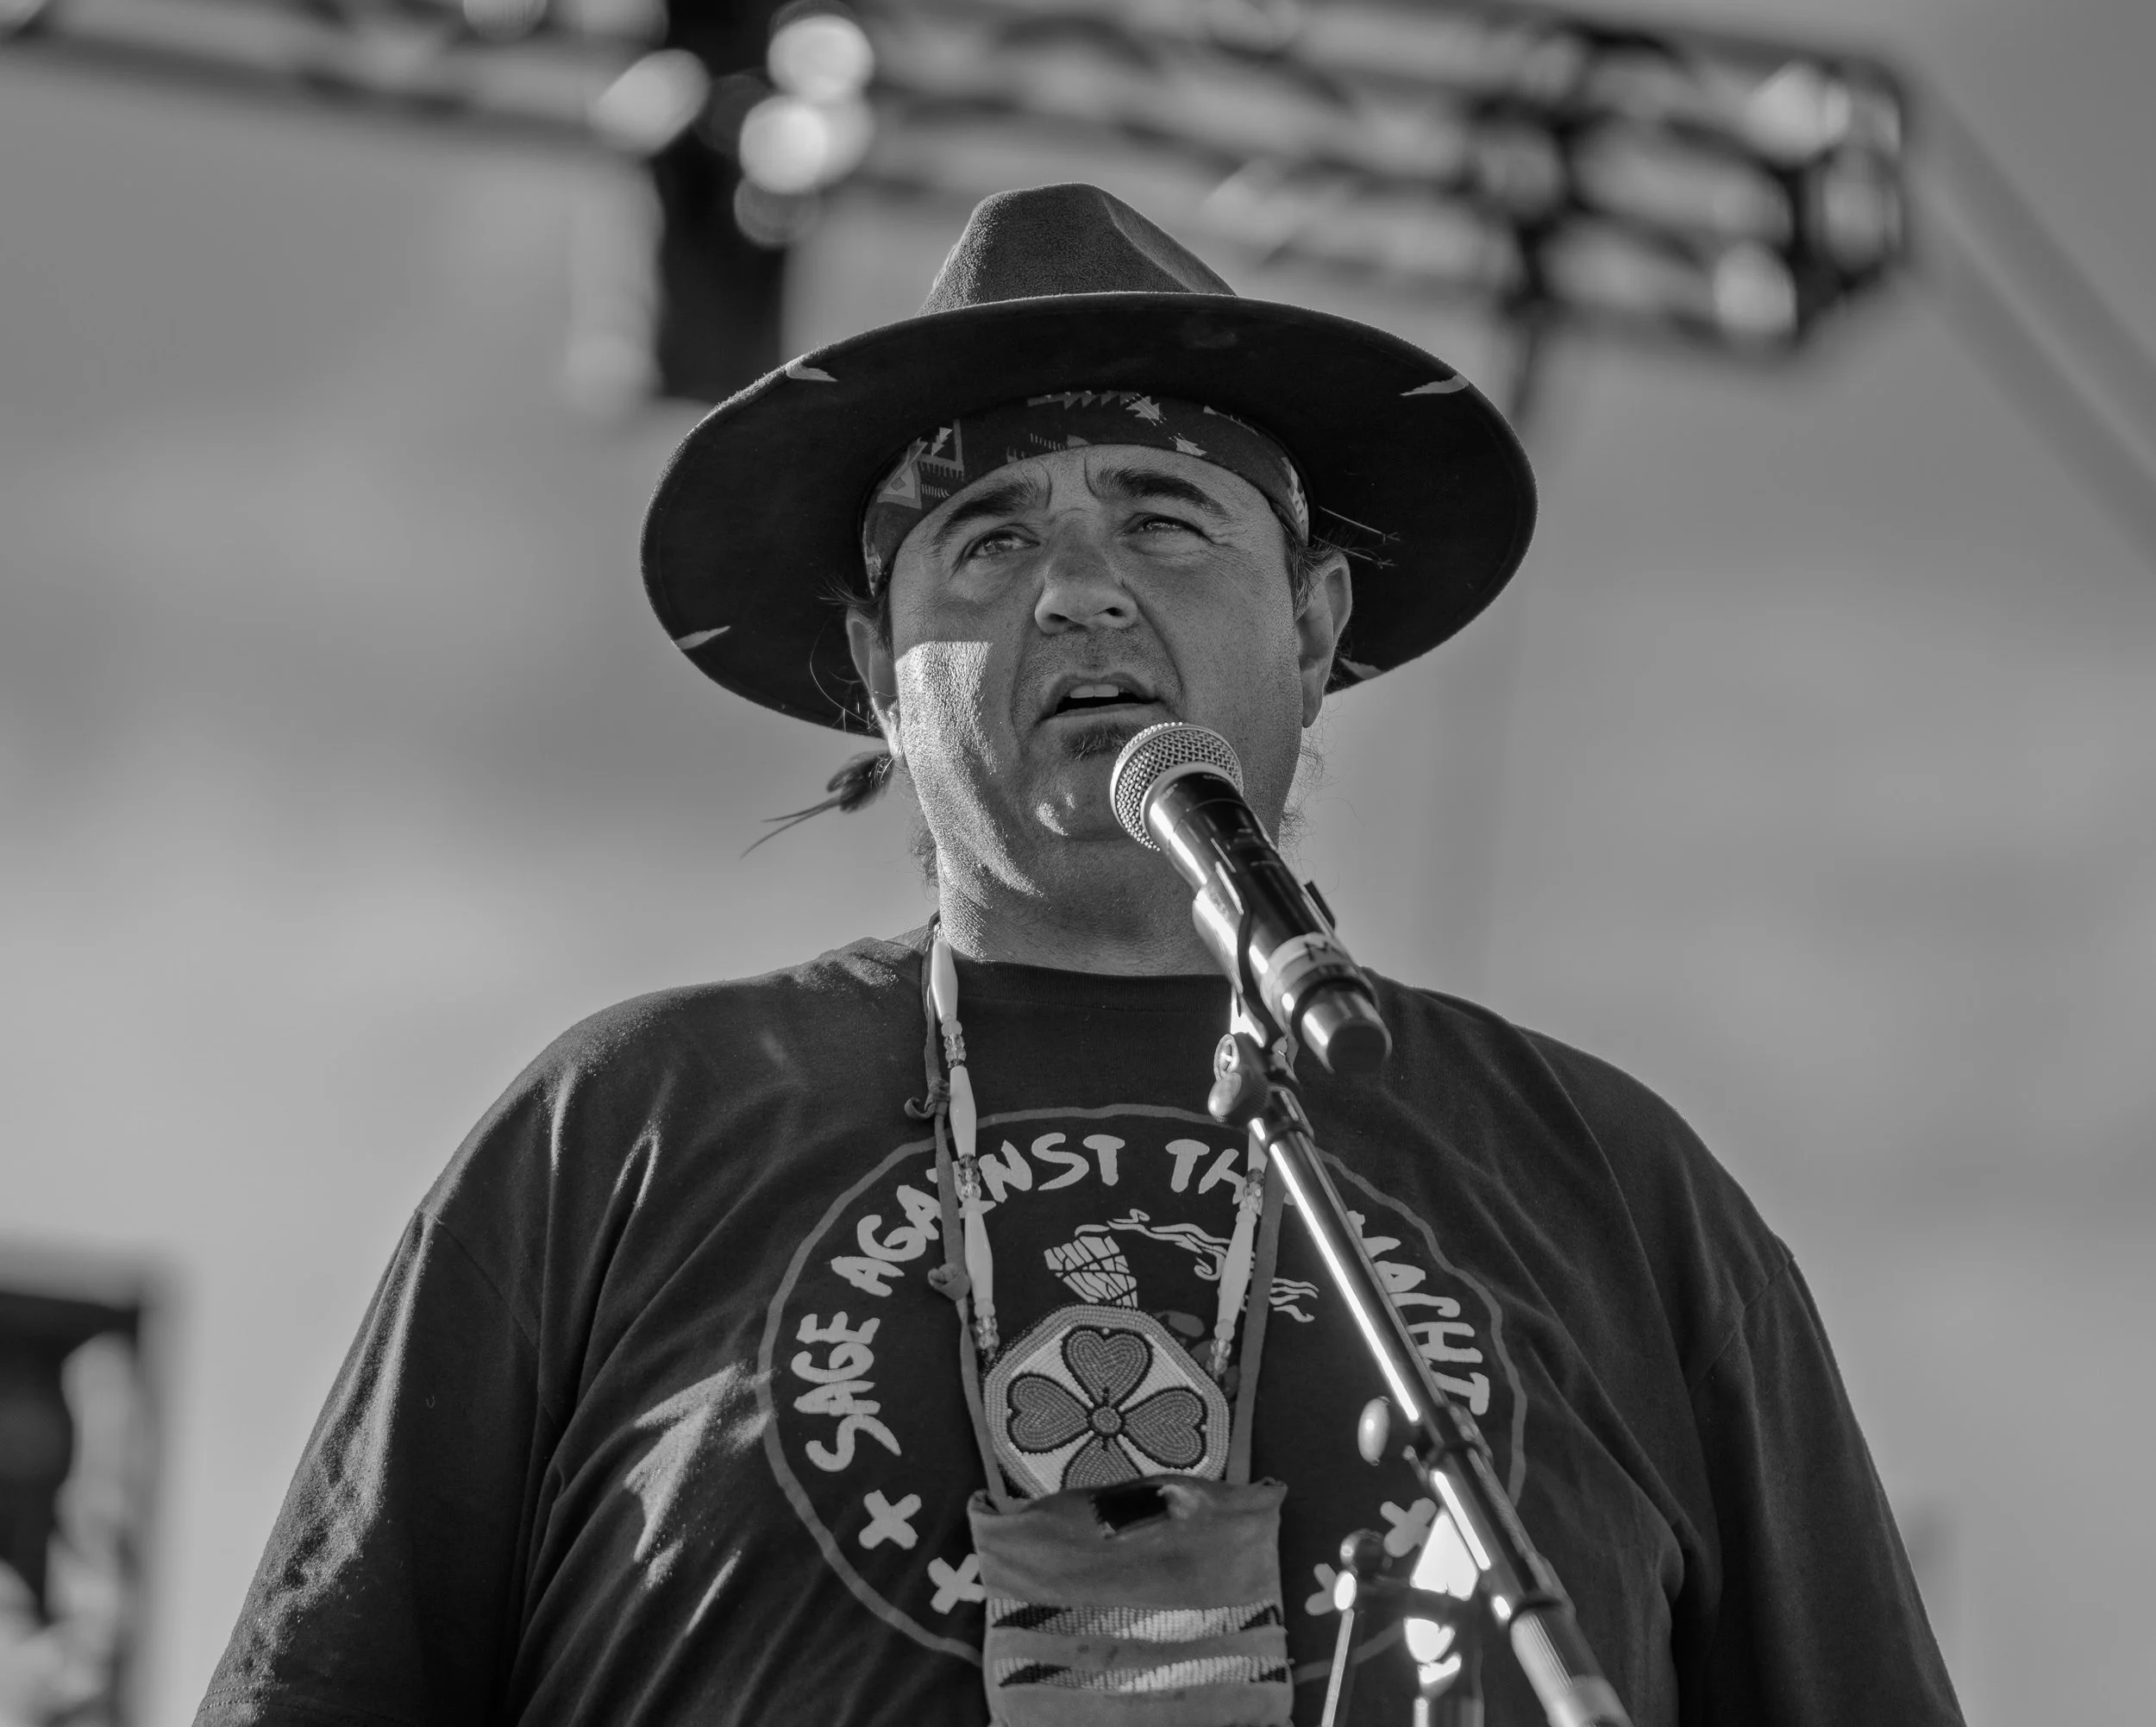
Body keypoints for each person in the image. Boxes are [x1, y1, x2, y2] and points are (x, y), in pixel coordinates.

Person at [195, 185, 1963, 1727]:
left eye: (1163, 518)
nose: (1080, 591)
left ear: (1314, 621)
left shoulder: (1609, 1183)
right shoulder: (630, 1123)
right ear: (873, 677)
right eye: (988, 540)